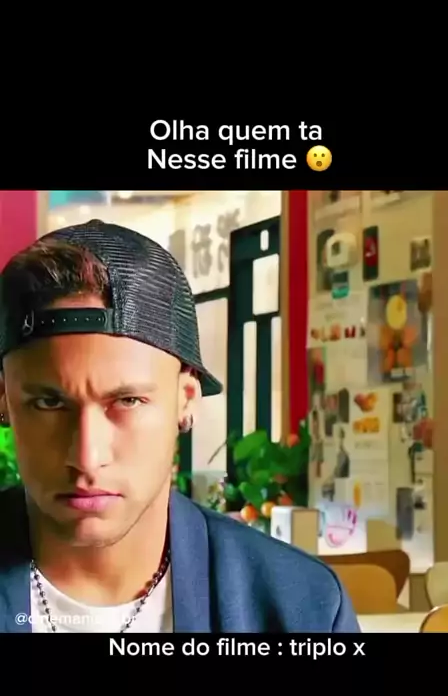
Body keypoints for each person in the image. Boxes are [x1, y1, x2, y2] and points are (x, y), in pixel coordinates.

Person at [0, 219, 360, 634]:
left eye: (128, 401)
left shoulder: (300, 607)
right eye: (49, 403)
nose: (86, 457)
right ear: (4, 399)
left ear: (186, 399)